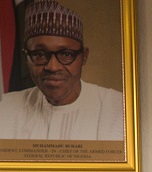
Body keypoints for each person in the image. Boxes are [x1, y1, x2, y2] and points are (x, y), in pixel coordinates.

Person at [0, 0, 123, 140]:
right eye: (39, 55)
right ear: (26, 57)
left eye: (66, 54)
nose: (52, 67)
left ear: (84, 57)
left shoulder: (117, 109)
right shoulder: (4, 110)